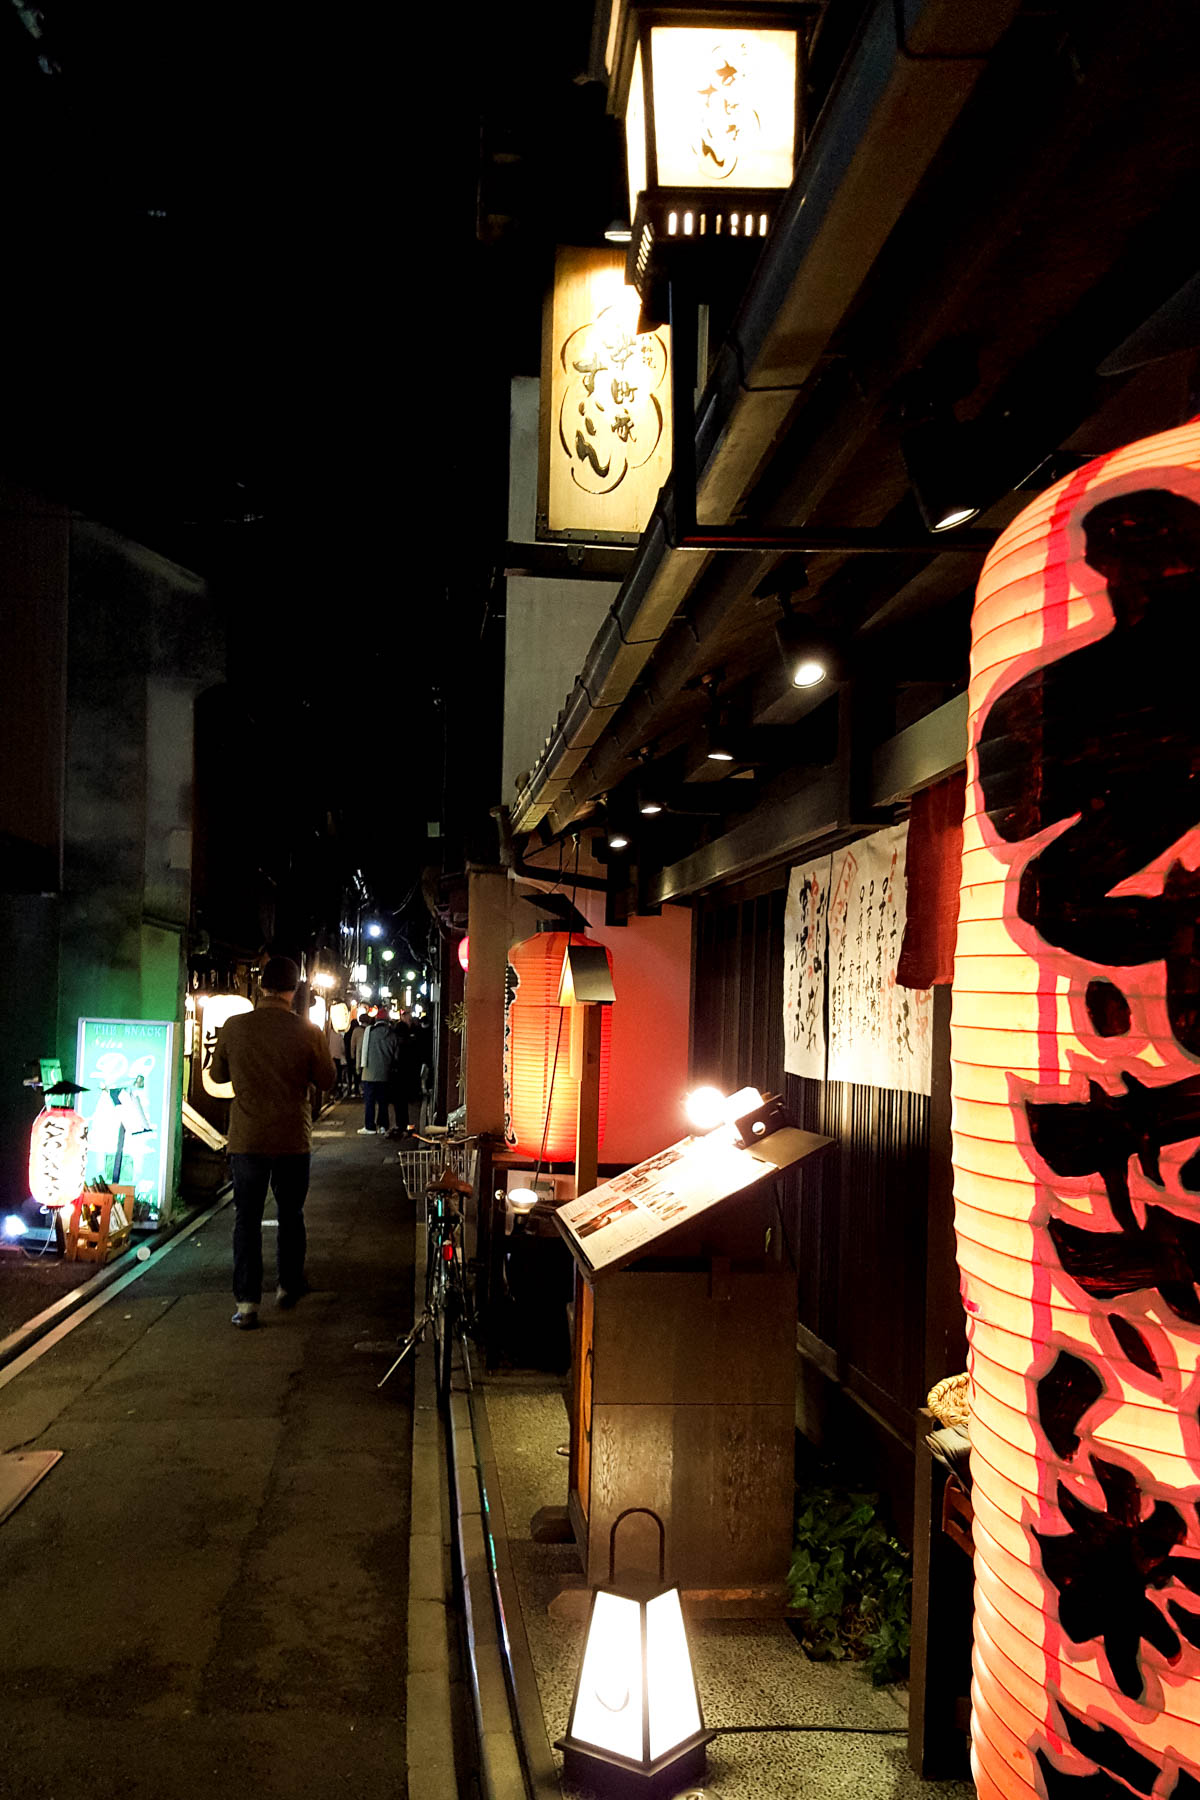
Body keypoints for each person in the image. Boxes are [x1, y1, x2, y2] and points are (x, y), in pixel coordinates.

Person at [210, 955, 336, 1329]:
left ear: (262, 986)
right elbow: (327, 1080)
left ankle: (247, 1303)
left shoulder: (234, 1027)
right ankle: (288, 1285)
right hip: (292, 1138)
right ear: (293, 990)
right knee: (290, 1214)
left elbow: (217, 1074)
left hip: (247, 1136)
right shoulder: (307, 1031)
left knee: (246, 1219)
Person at [357, 1008, 402, 1135]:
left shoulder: (369, 1033)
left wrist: (358, 1068)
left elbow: (361, 1051)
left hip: (369, 1073)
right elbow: (396, 1056)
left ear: (376, 1019)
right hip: (385, 1073)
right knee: (383, 1101)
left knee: (369, 1101)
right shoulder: (392, 1035)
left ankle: (370, 1126)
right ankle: (383, 1125)